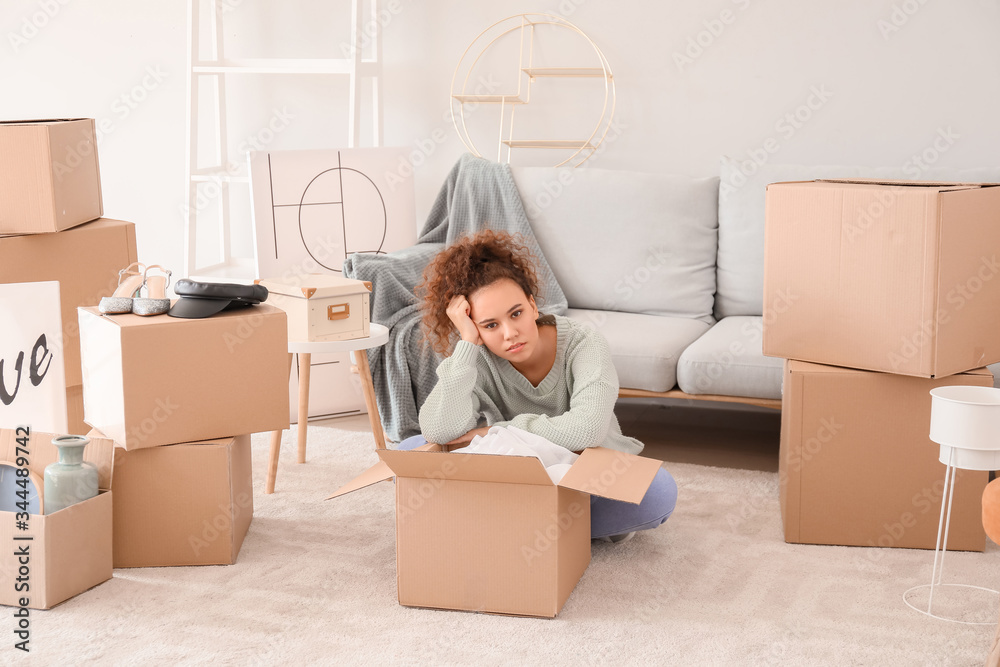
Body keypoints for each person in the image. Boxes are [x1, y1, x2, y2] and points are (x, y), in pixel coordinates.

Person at [398, 229, 677, 542]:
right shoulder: (476, 355)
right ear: (475, 328)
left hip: (584, 464)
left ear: (532, 305)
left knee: (658, 492)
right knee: (410, 451)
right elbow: (439, 431)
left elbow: (587, 431)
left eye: (516, 314)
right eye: (490, 325)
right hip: (517, 471)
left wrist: (495, 431)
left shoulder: (584, 343)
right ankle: (539, 528)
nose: (509, 333)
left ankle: (505, 523)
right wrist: (466, 345)